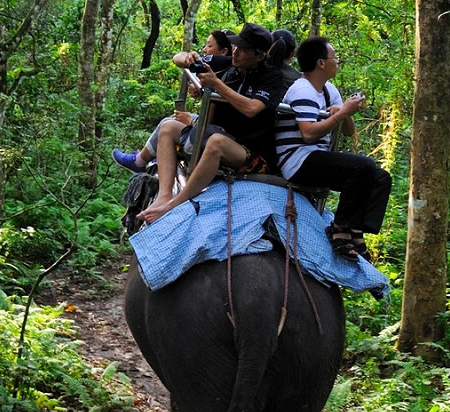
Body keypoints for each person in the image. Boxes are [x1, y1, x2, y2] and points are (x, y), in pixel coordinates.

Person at [137, 23, 292, 225]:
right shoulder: (228, 64)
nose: (236, 53)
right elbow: (178, 59)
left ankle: (175, 204)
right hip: (219, 133)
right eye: (236, 46)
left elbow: (252, 109)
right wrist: (187, 58)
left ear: (260, 56)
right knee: (168, 127)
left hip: (251, 152)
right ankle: (164, 195)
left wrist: (216, 84)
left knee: (217, 142)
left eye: (243, 51)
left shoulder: (272, 77)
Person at [275, 36, 391, 262]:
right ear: (320, 63)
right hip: (298, 161)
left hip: (317, 157)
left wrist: (345, 112)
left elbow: (348, 131)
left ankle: (355, 230)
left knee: (380, 178)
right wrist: (342, 113)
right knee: (363, 166)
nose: (337, 61)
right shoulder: (302, 90)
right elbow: (308, 134)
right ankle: (339, 229)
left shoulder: (328, 90)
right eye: (334, 57)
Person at [112, 30, 235, 171]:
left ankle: (141, 161)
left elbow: (213, 117)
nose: (204, 50)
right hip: (211, 126)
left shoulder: (225, 69)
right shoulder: (220, 70)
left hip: (216, 131)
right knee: (169, 120)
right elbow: (178, 58)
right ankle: (141, 159)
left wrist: (191, 121)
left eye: (209, 46)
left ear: (224, 51)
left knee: (169, 125)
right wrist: (189, 58)